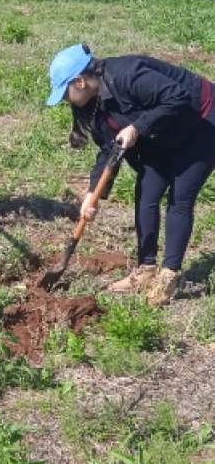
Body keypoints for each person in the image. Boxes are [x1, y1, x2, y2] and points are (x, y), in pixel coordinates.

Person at [46, 43, 215, 305]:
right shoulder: (91, 106)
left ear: (79, 81)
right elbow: (108, 149)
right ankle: (146, 269)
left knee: (180, 196)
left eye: (64, 92)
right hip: (162, 130)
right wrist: (93, 194)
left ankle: (168, 276)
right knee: (147, 191)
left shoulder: (126, 74)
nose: (64, 101)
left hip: (201, 118)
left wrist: (137, 127)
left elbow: (177, 97)